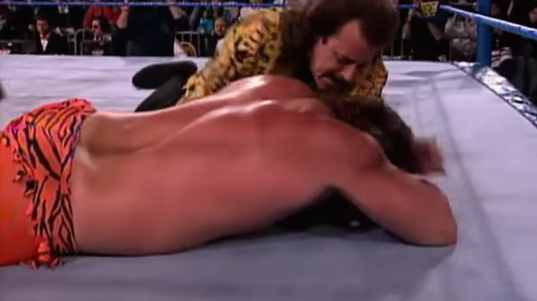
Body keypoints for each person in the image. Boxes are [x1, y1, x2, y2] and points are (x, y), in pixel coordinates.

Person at [0, 75, 456, 268]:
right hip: (52, 200)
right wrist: (396, 162)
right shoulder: (340, 149)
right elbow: (438, 226)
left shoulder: (279, 86)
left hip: (57, 128)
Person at [132, 0, 399, 112]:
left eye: (361, 64)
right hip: (228, 106)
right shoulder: (258, 36)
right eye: (341, 59)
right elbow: (195, 107)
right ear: (318, 33)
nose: (350, 76)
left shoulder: (371, 75)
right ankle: (182, 78)